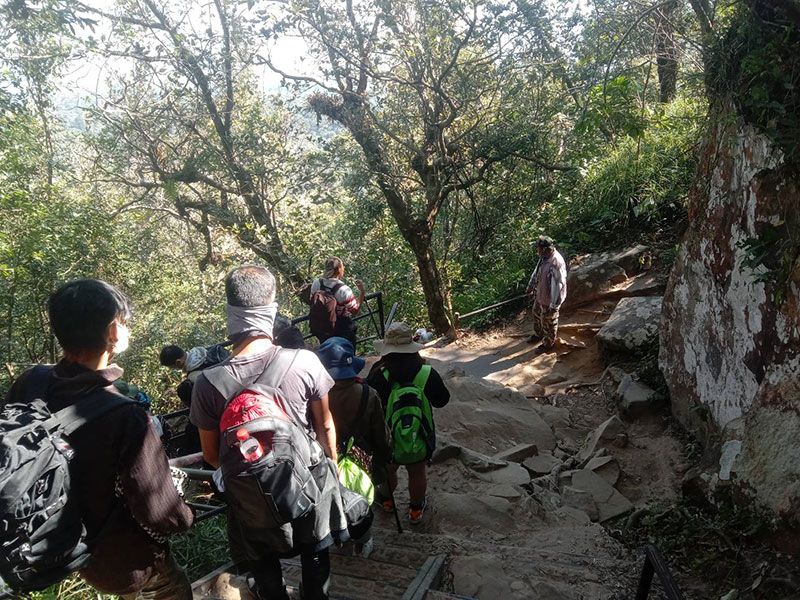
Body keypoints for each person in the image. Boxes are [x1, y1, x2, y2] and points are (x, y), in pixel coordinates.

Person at [4, 279, 194, 599]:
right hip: (119, 559)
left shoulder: (31, 381)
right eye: (124, 322)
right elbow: (160, 512)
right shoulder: (126, 416)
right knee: (172, 589)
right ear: (113, 331)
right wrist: (186, 515)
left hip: (54, 545)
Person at [189, 265, 347, 600]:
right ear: (271, 308)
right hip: (307, 482)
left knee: (264, 570)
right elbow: (325, 426)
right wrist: (332, 467)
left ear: (231, 312)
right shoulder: (304, 361)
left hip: (250, 497)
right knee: (315, 556)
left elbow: (212, 456)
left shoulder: (207, 383)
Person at [367, 322, 450, 524]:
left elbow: (370, 402)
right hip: (418, 433)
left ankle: (387, 500)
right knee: (417, 471)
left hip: (388, 435)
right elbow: (442, 401)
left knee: (389, 469)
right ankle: (415, 509)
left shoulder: (379, 373)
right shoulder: (426, 373)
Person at [316, 337, 391, 491]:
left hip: (329, 465)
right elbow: (381, 435)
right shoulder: (368, 394)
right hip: (364, 461)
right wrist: (385, 458)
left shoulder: (316, 398)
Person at [308, 257, 366, 345]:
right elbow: (355, 310)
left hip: (322, 327)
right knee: (346, 350)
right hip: (341, 328)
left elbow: (312, 300)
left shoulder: (316, 283)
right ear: (339, 270)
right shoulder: (344, 290)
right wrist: (362, 292)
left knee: (326, 350)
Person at [525, 235, 568, 353]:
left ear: (545, 249)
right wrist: (530, 286)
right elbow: (536, 272)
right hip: (541, 294)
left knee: (549, 321)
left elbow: (559, 285)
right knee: (536, 313)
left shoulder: (556, 263)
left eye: (538, 248)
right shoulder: (543, 258)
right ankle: (539, 334)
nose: (537, 250)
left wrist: (554, 305)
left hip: (551, 299)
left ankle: (548, 343)